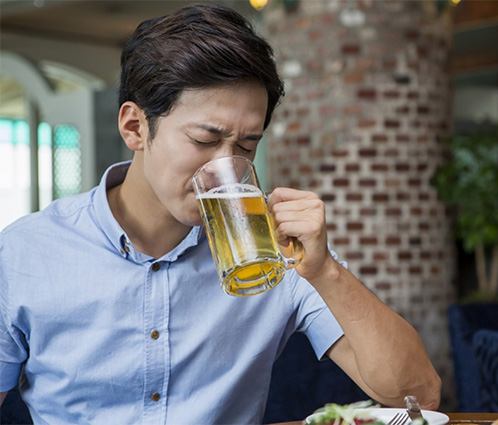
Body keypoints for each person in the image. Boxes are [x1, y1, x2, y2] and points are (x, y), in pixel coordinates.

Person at [0, 4, 441, 424]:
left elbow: (418, 395)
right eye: (205, 140)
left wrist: (326, 272)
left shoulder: (274, 253)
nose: (226, 171)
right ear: (135, 127)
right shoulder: (24, 253)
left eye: (247, 146)